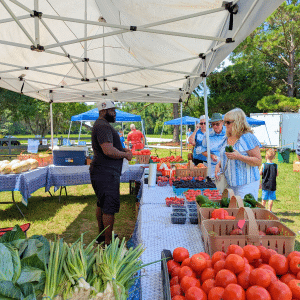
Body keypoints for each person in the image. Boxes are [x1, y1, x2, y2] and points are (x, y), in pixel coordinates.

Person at [89, 100, 133, 245]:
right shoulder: (102, 126)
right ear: (103, 111)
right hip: (106, 173)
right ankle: (108, 243)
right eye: (112, 110)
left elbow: (111, 147)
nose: (115, 113)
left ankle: (102, 236)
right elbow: (108, 150)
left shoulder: (102, 125)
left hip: (102, 172)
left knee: (102, 203)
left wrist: (123, 150)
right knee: (108, 207)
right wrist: (125, 155)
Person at [215, 108, 262, 200]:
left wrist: (239, 157)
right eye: (224, 122)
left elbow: (258, 161)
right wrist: (219, 164)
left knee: (245, 211)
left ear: (238, 122)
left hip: (246, 184)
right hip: (229, 184)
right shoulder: (227, 138)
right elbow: (226, 156)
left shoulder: (247, 137)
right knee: (232, 211)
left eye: (228, 122)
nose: (225, 125)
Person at [201, 113, 226, 178]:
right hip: (212, 167)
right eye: (213, 124)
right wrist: (211, 155)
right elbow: (203, 151)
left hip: (227, 166)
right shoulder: (207, 134)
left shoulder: (228, 132)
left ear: (222, 122)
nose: (215, 126)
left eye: (217, 124)